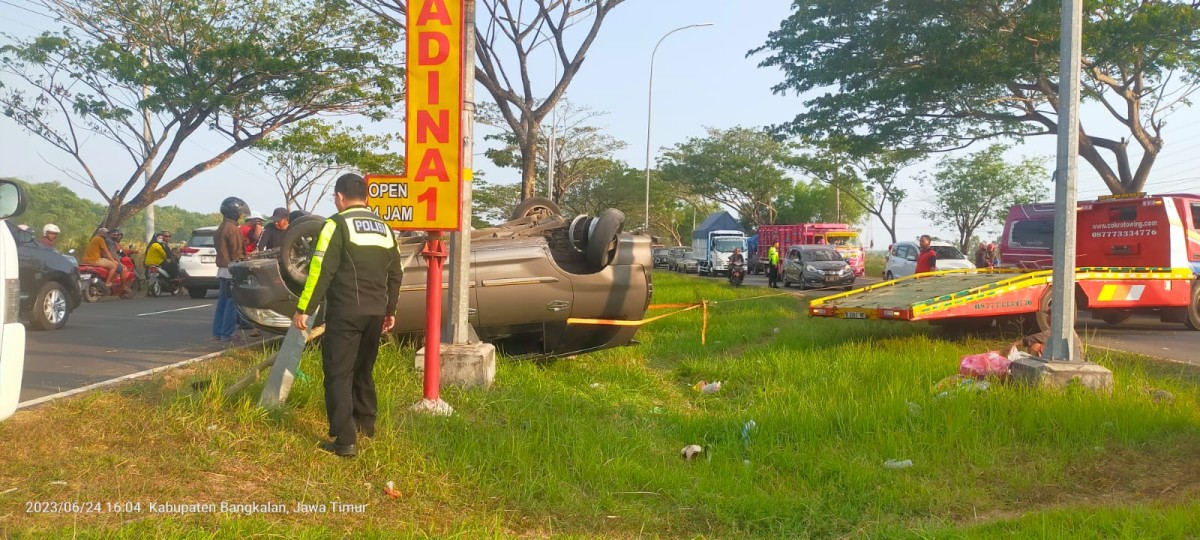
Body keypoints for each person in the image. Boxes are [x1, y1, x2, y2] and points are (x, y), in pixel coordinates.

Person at [293, 173, 403, 458]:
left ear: (340, 197)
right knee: (363, 368)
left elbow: (320, 269)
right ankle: (366, 425)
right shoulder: (383, 227)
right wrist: (390, 310)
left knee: (338, 373)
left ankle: (344, 441)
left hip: (346, 311)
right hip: (376, 312)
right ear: (366, 198)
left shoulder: (336, 224)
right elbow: (395, 273)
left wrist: (304, 307)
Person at [212, 197, 249, 343]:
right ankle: (227, 334)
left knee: (222, 302)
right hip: (232, 269)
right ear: (235, 212)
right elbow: (237, 252)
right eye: (240, 213)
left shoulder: (221, 227)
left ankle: (217, 332)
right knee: (232, 303)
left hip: (222, 269)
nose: (241, 216)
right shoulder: (233, 229)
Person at [1011, 328, 1085, 359]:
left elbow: (1033, 338)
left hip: (1072, 359)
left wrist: (1013, 345)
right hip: (1067, 357)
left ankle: (1037, 358)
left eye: (1048, 314)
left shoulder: (1060, 328)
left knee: (1035, 345)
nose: (1047, 317)